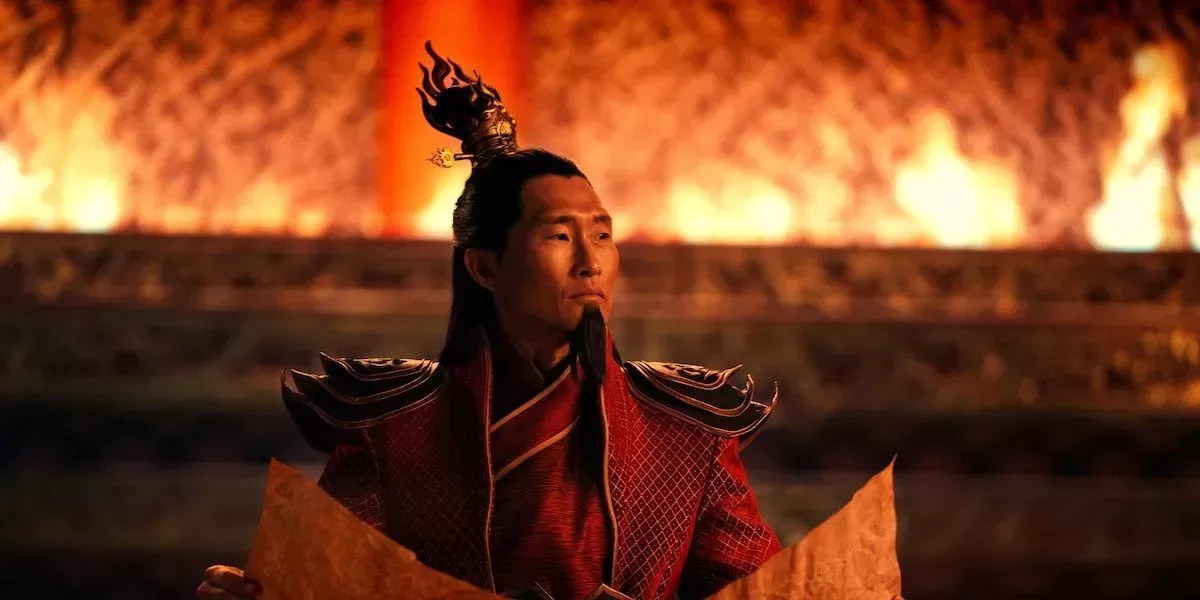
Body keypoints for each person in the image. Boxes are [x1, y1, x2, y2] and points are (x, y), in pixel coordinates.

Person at [197, 42, 780, 600]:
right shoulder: (396, 429)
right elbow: (324, 583)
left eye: (602, 234)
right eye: (559, 236)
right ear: (484, 266)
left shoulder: (686, 431)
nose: (591, 261)